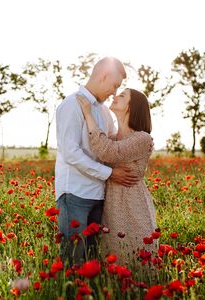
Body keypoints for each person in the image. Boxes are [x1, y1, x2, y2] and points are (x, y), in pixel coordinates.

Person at [55, 57, 139, 266]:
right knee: (74, 258)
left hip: (99, 194)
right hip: (75, 192)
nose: (114, 92)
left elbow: (111, 147)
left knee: (93, 257)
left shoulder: (103, 111)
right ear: (103, 76)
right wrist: (109, 174)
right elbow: (71, 153)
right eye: (115, 85)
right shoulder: (71, 104)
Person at [76, 88, 157, 265]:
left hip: (132, 204)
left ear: (131, 106)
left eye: (122, 95)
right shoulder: (111, 137)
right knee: (113, 256)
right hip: (110, 204)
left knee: (137, 254)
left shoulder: (142, 139)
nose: (114, 96)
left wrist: (88, 114)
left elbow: (108, 152)